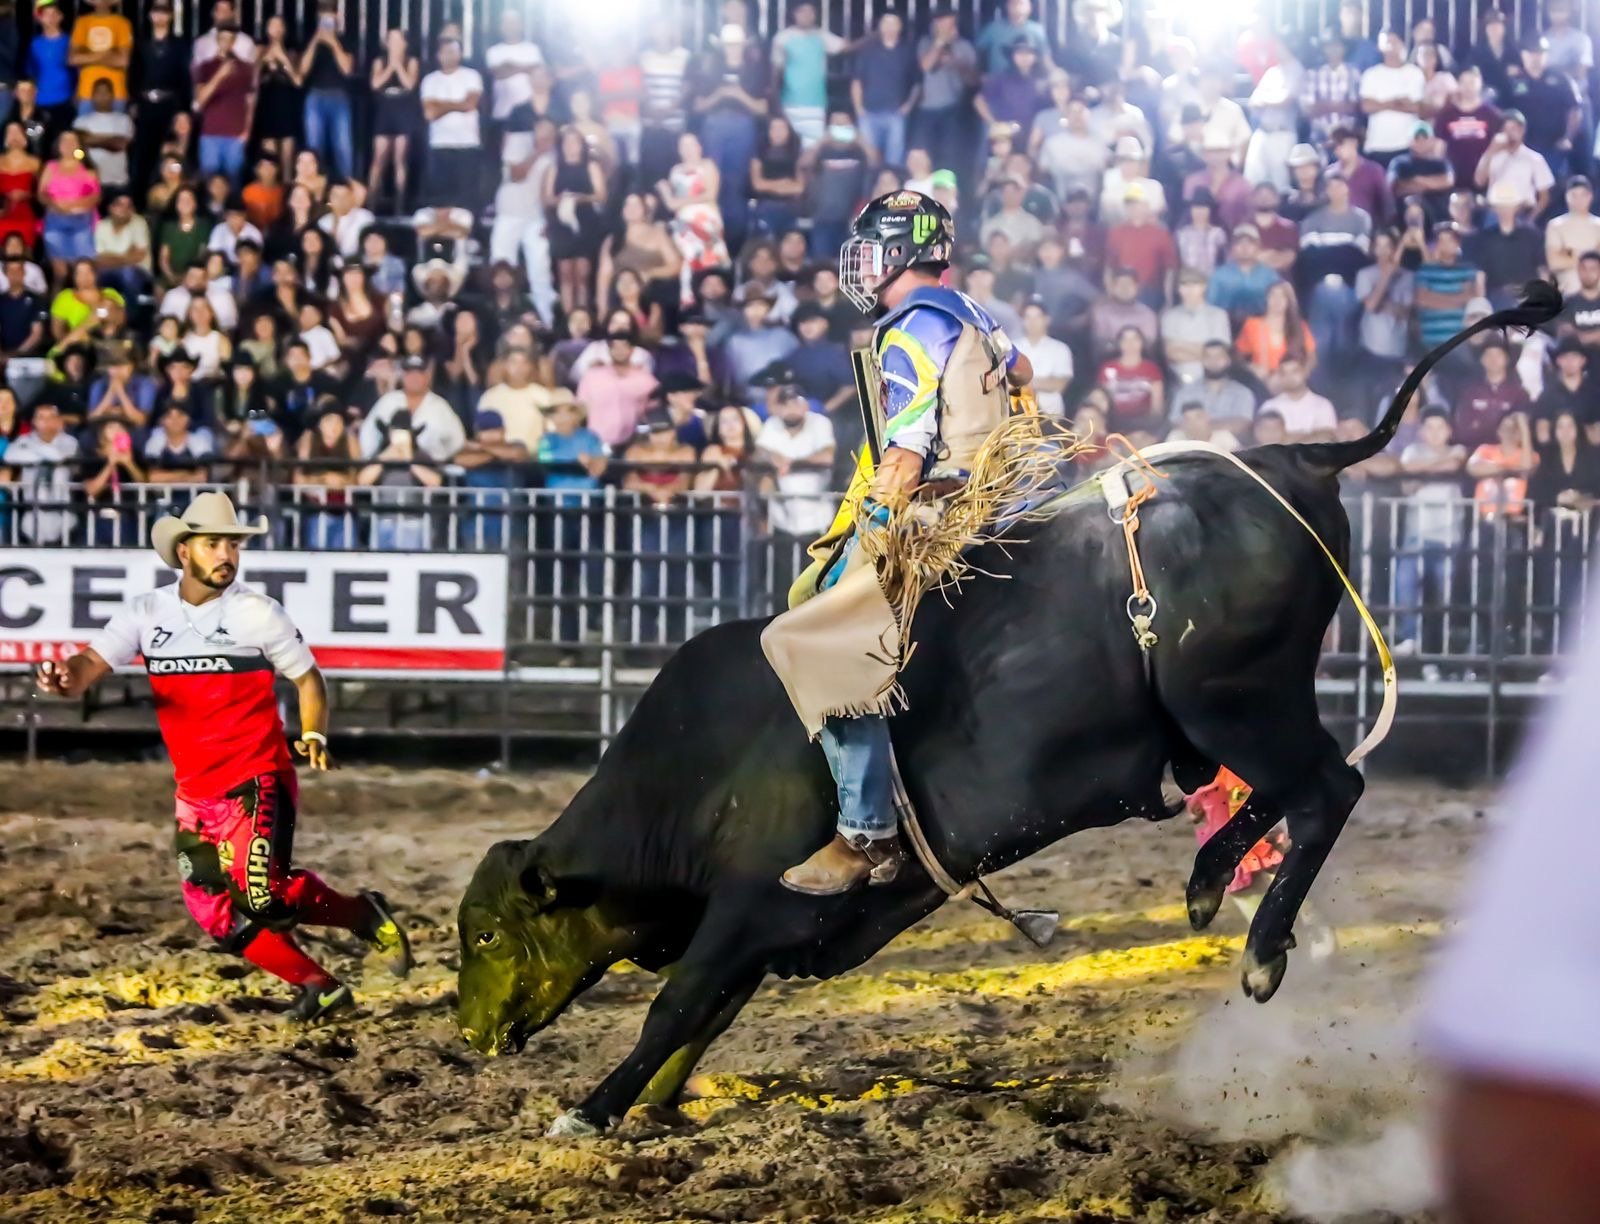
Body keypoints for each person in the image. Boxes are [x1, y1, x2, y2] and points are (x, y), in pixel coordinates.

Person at [35, 492, 413, 1021]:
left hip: (255, 776)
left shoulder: (257, 613)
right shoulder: (147, 613)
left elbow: (308, 679)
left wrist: (314, 735)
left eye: (232, 544)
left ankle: (359, 913)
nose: (226, 555)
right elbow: (87, 667)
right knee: (212, 911)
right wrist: (63, 678)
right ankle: (320, 987)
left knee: (262, 897)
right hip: (195, 792)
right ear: (184, 551)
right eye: (214, 544)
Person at [774, 191, 1032, 895]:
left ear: (897, 253)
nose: (860, 265)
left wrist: (880, 522)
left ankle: (865, 831)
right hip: (1002, 493)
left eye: (868, 249)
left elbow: (910, 438)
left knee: (817, 631)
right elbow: (1023, 373)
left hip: (943, 509)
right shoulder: (969, 310)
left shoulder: (908, 328)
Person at [419, 36, 484, 213]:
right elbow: (430, 113)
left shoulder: (471, 76)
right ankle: (442, 239)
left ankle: (470, 238)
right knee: (441, 200)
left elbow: (470, 104)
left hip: (467, 144)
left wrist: (441, 104)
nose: (450, 56)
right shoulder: (430, 80)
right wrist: (458, 104)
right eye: (446, 52)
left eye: (454, 51)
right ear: (438, 55)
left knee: (468, 199)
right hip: (440, 145)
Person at [193, 24, 256, 187]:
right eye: (222, 39)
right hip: (211, 133)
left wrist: (247, 130)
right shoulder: (205, 67)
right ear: (217, 40)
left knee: (234, 182)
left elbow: (250, 101)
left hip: (236, 134)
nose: (225, 43)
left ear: (234, 42)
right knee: (208, 182)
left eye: (230, 40)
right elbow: (200, 100)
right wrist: (219, 75)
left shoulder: (246, 68)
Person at [366, 28, 418, 210]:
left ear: (405, 43)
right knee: (378, 158)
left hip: (403, 110)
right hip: (385, 110)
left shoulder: (411, 61)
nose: (394, 44)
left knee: (399, 158)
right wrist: (391, 66)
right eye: (391, 40)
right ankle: (372, 202)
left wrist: (398, 65)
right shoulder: (379, 62)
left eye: (398, 40)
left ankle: (400, 204)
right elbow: (375, 84)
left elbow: (410, 84)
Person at [1474, 108, 1554, 213]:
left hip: (1523, 210)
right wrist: (1491, 151)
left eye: (1515, 128)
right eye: (1508, 129)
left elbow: (1544, 197)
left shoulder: (1534, 158)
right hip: (1496, 211)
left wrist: (1530, 220)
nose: (1512, 133)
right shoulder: (1492, 155)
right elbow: (1479, 181)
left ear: (1523, 130)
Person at [1162, 269, 1232, 388]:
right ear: (1179, 289)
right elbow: (1171, 352)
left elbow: (1219, 353)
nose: (1189, 290)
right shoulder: (1169, 316)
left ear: (1203, 287)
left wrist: (1182, 346)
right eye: (1184, 285)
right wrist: (1205, 351)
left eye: (1194, 285)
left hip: (1212, 376)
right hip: (1179, 377)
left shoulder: (1218, 315)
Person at [1435, 65, 1501, 190]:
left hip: (1485, 180)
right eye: (1464, 82)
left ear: (1480, 83)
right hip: (1454, 180)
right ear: (1458, 85)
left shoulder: (1493, 115)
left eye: (1472, 82)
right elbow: (1439, 150)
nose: (1468, 87)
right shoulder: (1446, 115)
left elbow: (1498, 148)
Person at [252, 15, 302, 180]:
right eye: (272, 26)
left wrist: (282, 58)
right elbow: (253, 81)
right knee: (269, 159)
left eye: (279, 26)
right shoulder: (260, 50)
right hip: (267, 108)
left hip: (286, 107)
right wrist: (263, 60)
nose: (276, 30)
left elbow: (297, 80)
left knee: (287, 160)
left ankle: (288, 196)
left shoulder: (292, 52)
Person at [1015, 298, 1072, 415]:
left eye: (1037, 317)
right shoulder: (1012, 348)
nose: (1032, 322)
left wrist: (1024, 383)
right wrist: (1043, 382)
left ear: (1046, 320)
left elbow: (1059, 384)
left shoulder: (1060, 349)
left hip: (1050, 413)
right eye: (1028, 317)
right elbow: (1005, 382)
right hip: (1018, 414)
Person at [1545, 175, 1600, 296]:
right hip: (1569, 295)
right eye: (1574, 195)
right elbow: (1554, 262)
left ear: (1590, 196)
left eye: (1583, 195)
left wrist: (1570, 253)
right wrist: (1591, 258)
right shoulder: (1556, 226)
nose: (1578, 199)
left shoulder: (1598, 226)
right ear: (1566, 197)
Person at [1258, 356, 1336, 439]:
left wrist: (1284, 438)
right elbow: (1265, 440)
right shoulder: (1269, 406)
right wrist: (1309, 436)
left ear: (1305, 373)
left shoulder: (1323, 405)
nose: (1289, 377)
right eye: (1284, 373)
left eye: (1295, 371)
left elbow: (1326, 437)